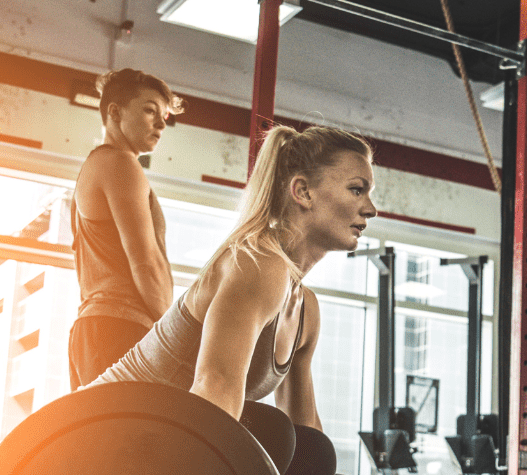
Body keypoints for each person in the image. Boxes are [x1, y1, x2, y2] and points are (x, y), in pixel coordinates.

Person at [91, 124, 376, 435]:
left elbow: (306, 434)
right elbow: (215, 392)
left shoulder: (305, 309)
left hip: (148, 436)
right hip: (96, 430)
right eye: (357, 189)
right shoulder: (259, 264)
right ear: (303, 192)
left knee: (293, 442)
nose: (371, 209)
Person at [68, 69, 182, 389]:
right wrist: (177, 339)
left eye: (164, 115)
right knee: (128, 439)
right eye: (149, 110)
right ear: (115, 113)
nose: (161, 124)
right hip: (119, 327)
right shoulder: (120, 163)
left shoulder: (96, 167)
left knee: (100, 438)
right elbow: (146, 262)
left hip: (96, 328)